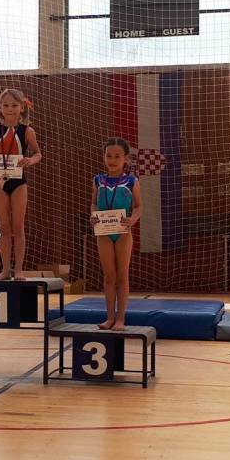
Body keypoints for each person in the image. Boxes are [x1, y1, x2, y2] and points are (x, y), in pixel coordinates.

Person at [0, 88, 42, 279]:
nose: (10, 109)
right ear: (0, 108)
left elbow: (38, 154)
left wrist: (30, 160)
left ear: (22, 107)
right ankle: (6, 269)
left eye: (14, 105)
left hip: (18, 182)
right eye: (6, 105)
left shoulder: (27, 131)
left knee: (18, 226)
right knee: (5, 227)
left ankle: (19, 269)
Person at [91, 137, 143, 331]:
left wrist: (132, 219)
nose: (112, 160)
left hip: (122, 232)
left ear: (126, 159)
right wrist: (93, 215)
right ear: (104, 156)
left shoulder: (131, 181)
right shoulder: (98, 180)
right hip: (104, 232)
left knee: (122, 275)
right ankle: (109, 318)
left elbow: (138, 206)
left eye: (117, 156)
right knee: (108, 276)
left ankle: (121, 319)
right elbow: (94, 203)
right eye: (109, 155)